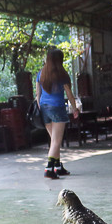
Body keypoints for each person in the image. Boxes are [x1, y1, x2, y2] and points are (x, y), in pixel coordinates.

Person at [35, 48, 80, 179]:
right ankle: (49, 169)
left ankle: (58, 167)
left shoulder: (41, 73)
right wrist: (75, 108)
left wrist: (40, 108)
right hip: (57, 108)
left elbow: (38, 94)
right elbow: (69, 94)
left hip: (44, 108)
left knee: (55, 141)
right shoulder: (62, 75)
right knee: (56, 141)